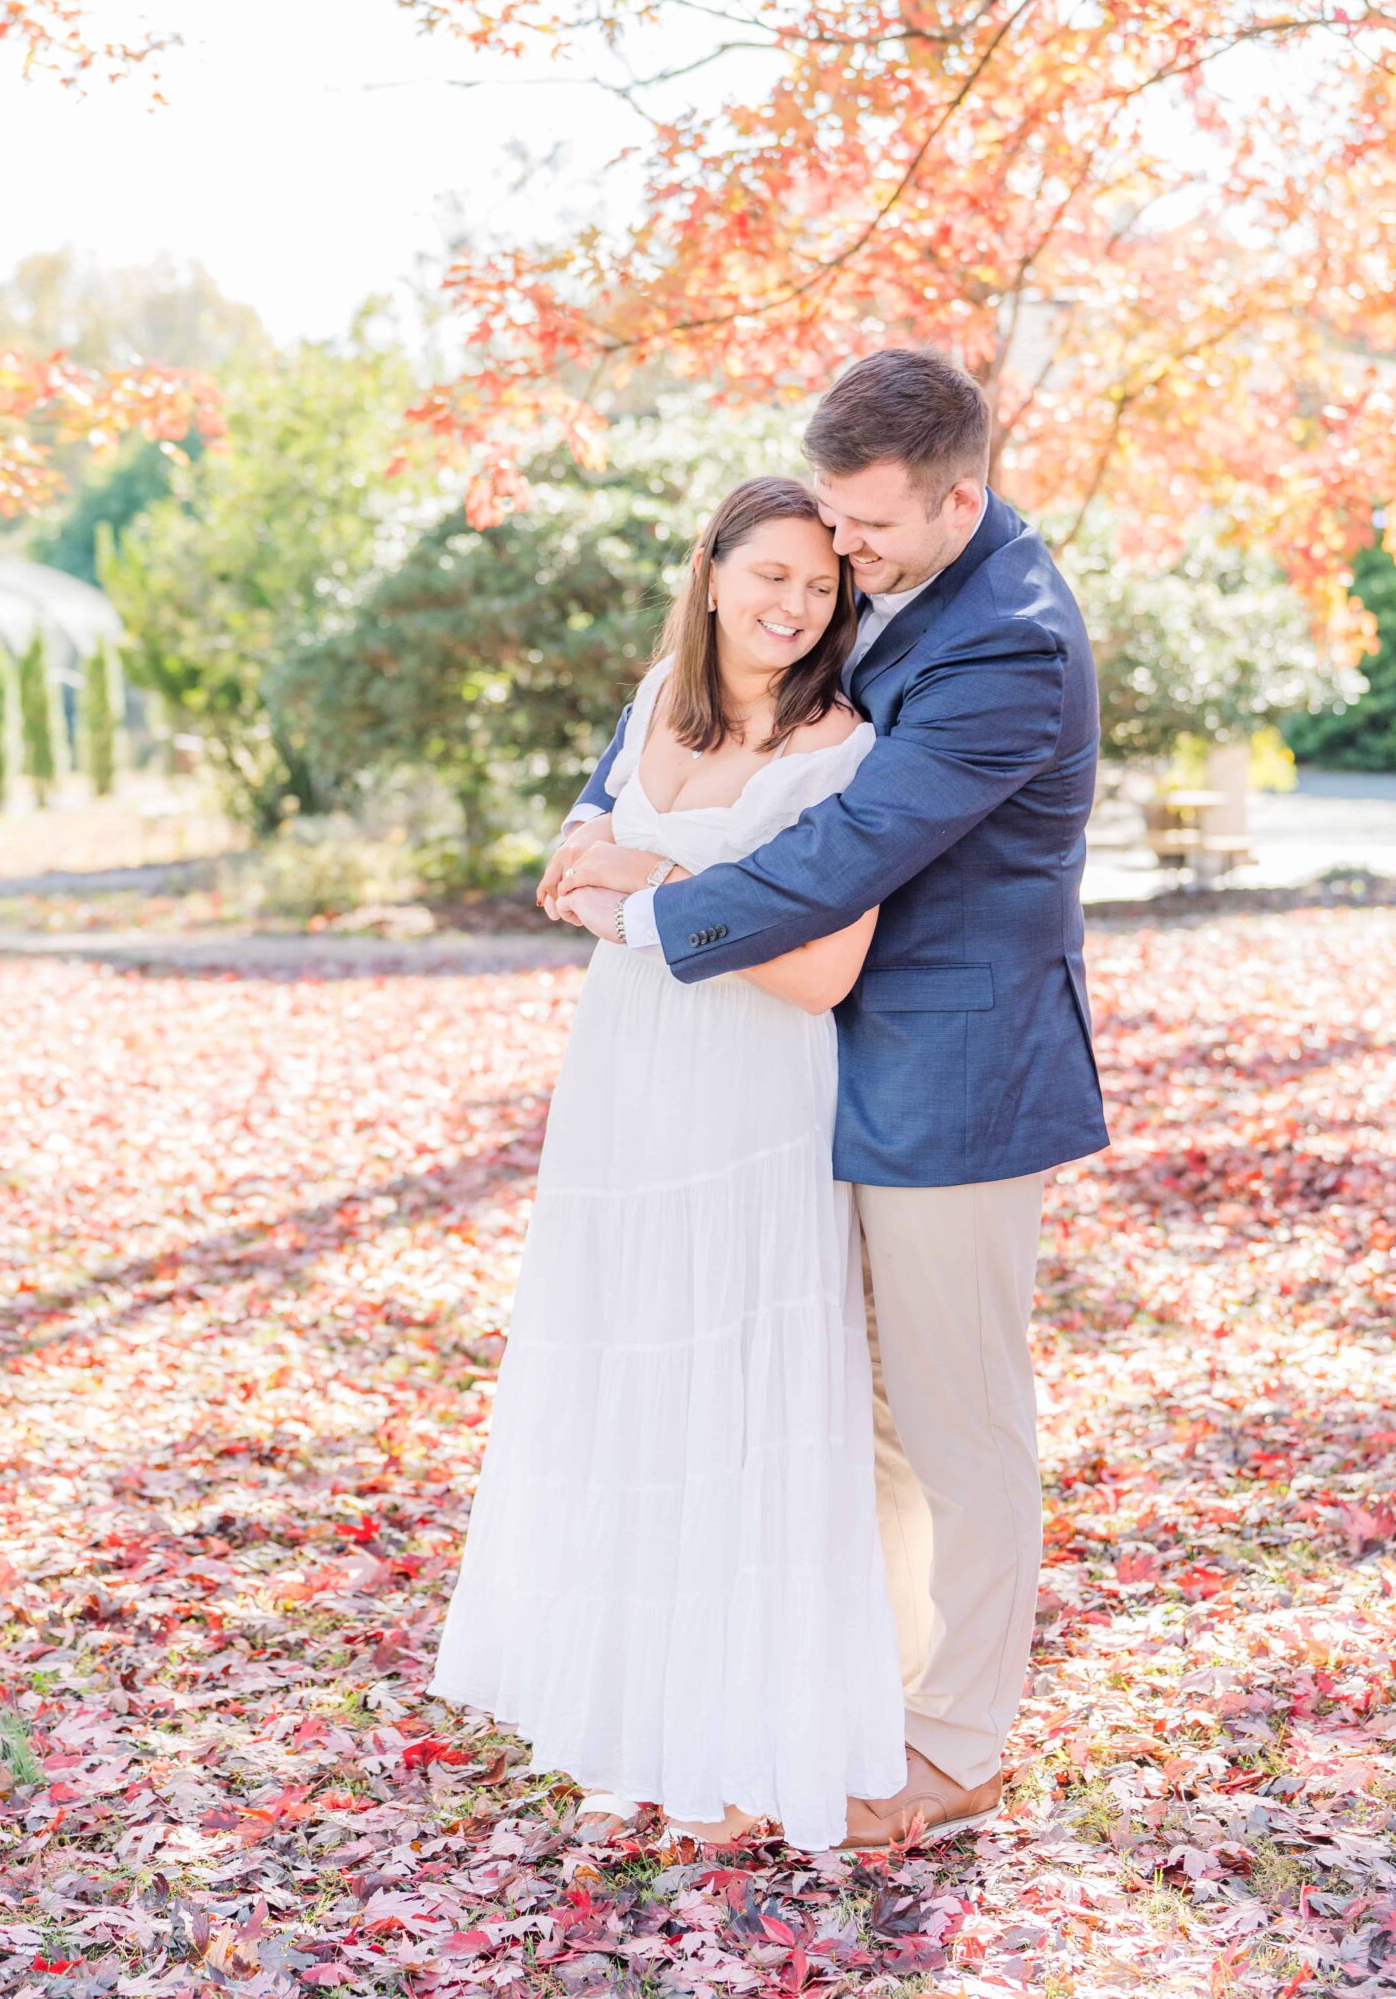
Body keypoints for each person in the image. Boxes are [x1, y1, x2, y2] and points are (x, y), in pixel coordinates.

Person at [546, 346, 1108, 1848]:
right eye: (830, 531)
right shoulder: (905, 587)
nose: (841, 563)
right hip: (818, 1078)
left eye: (864, 534)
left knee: (959, 1426)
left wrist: (645, 908)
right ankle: (859, 1706)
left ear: (960, 499)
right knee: (854, 1418)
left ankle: (960, 1739)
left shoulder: (1012, 649)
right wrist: (611, 813)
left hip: (955, 1081)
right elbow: (720, 714)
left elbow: (846, 852)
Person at [432, 475, 908, 1851]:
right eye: (769, 574)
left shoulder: (842, 750)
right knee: (631, 1372)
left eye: (822, 588)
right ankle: (643, 1721)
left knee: (740, 1396)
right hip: (627, 1083)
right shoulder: (654, 702)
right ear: (709, 574)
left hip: (750, 1097)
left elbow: (821, 970)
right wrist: (615, 873)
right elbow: (568, 877)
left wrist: (640, 882)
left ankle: (753, 1750)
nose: (794, 604)